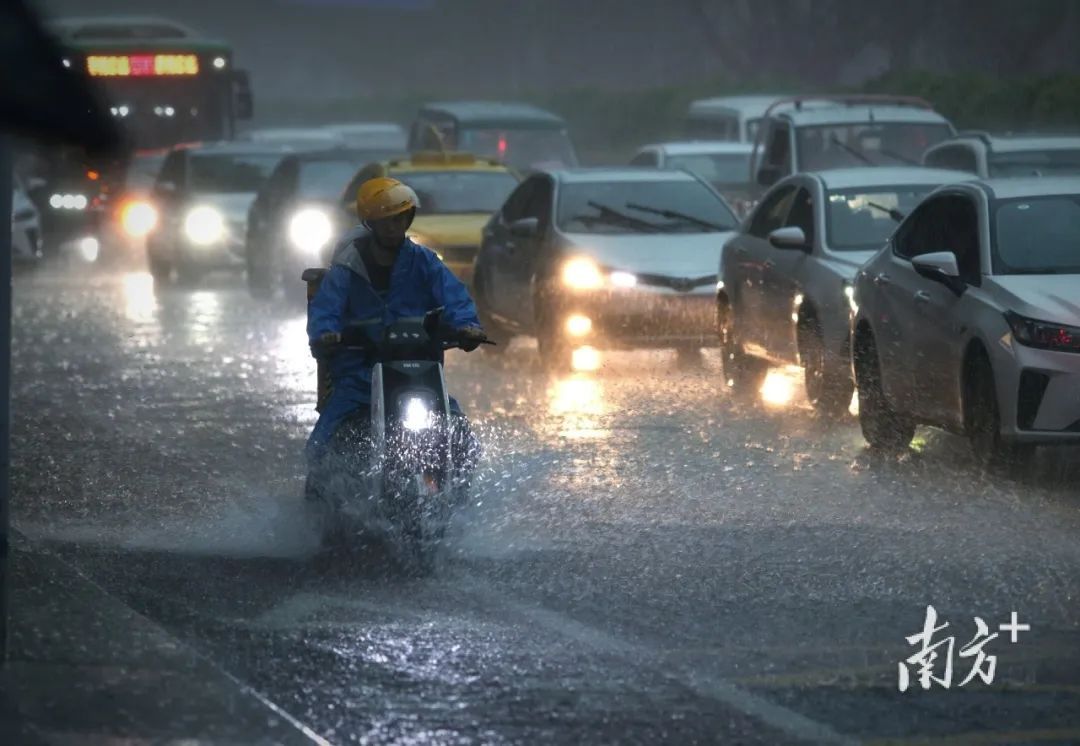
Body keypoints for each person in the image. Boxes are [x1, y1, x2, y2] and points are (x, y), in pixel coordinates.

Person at [305, 176, 486, 492]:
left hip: (418, 371)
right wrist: (327, 335)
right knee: (321, 445)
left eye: (401, 218)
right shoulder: (347, 268)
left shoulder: (424, 261)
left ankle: (458, 501)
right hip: (360, 376)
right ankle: (321, 508)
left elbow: (454, 296)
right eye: (387, 220)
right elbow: (326, 310)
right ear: (371, 222)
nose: (395, 226)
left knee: (459, 433)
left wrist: (467, 327)